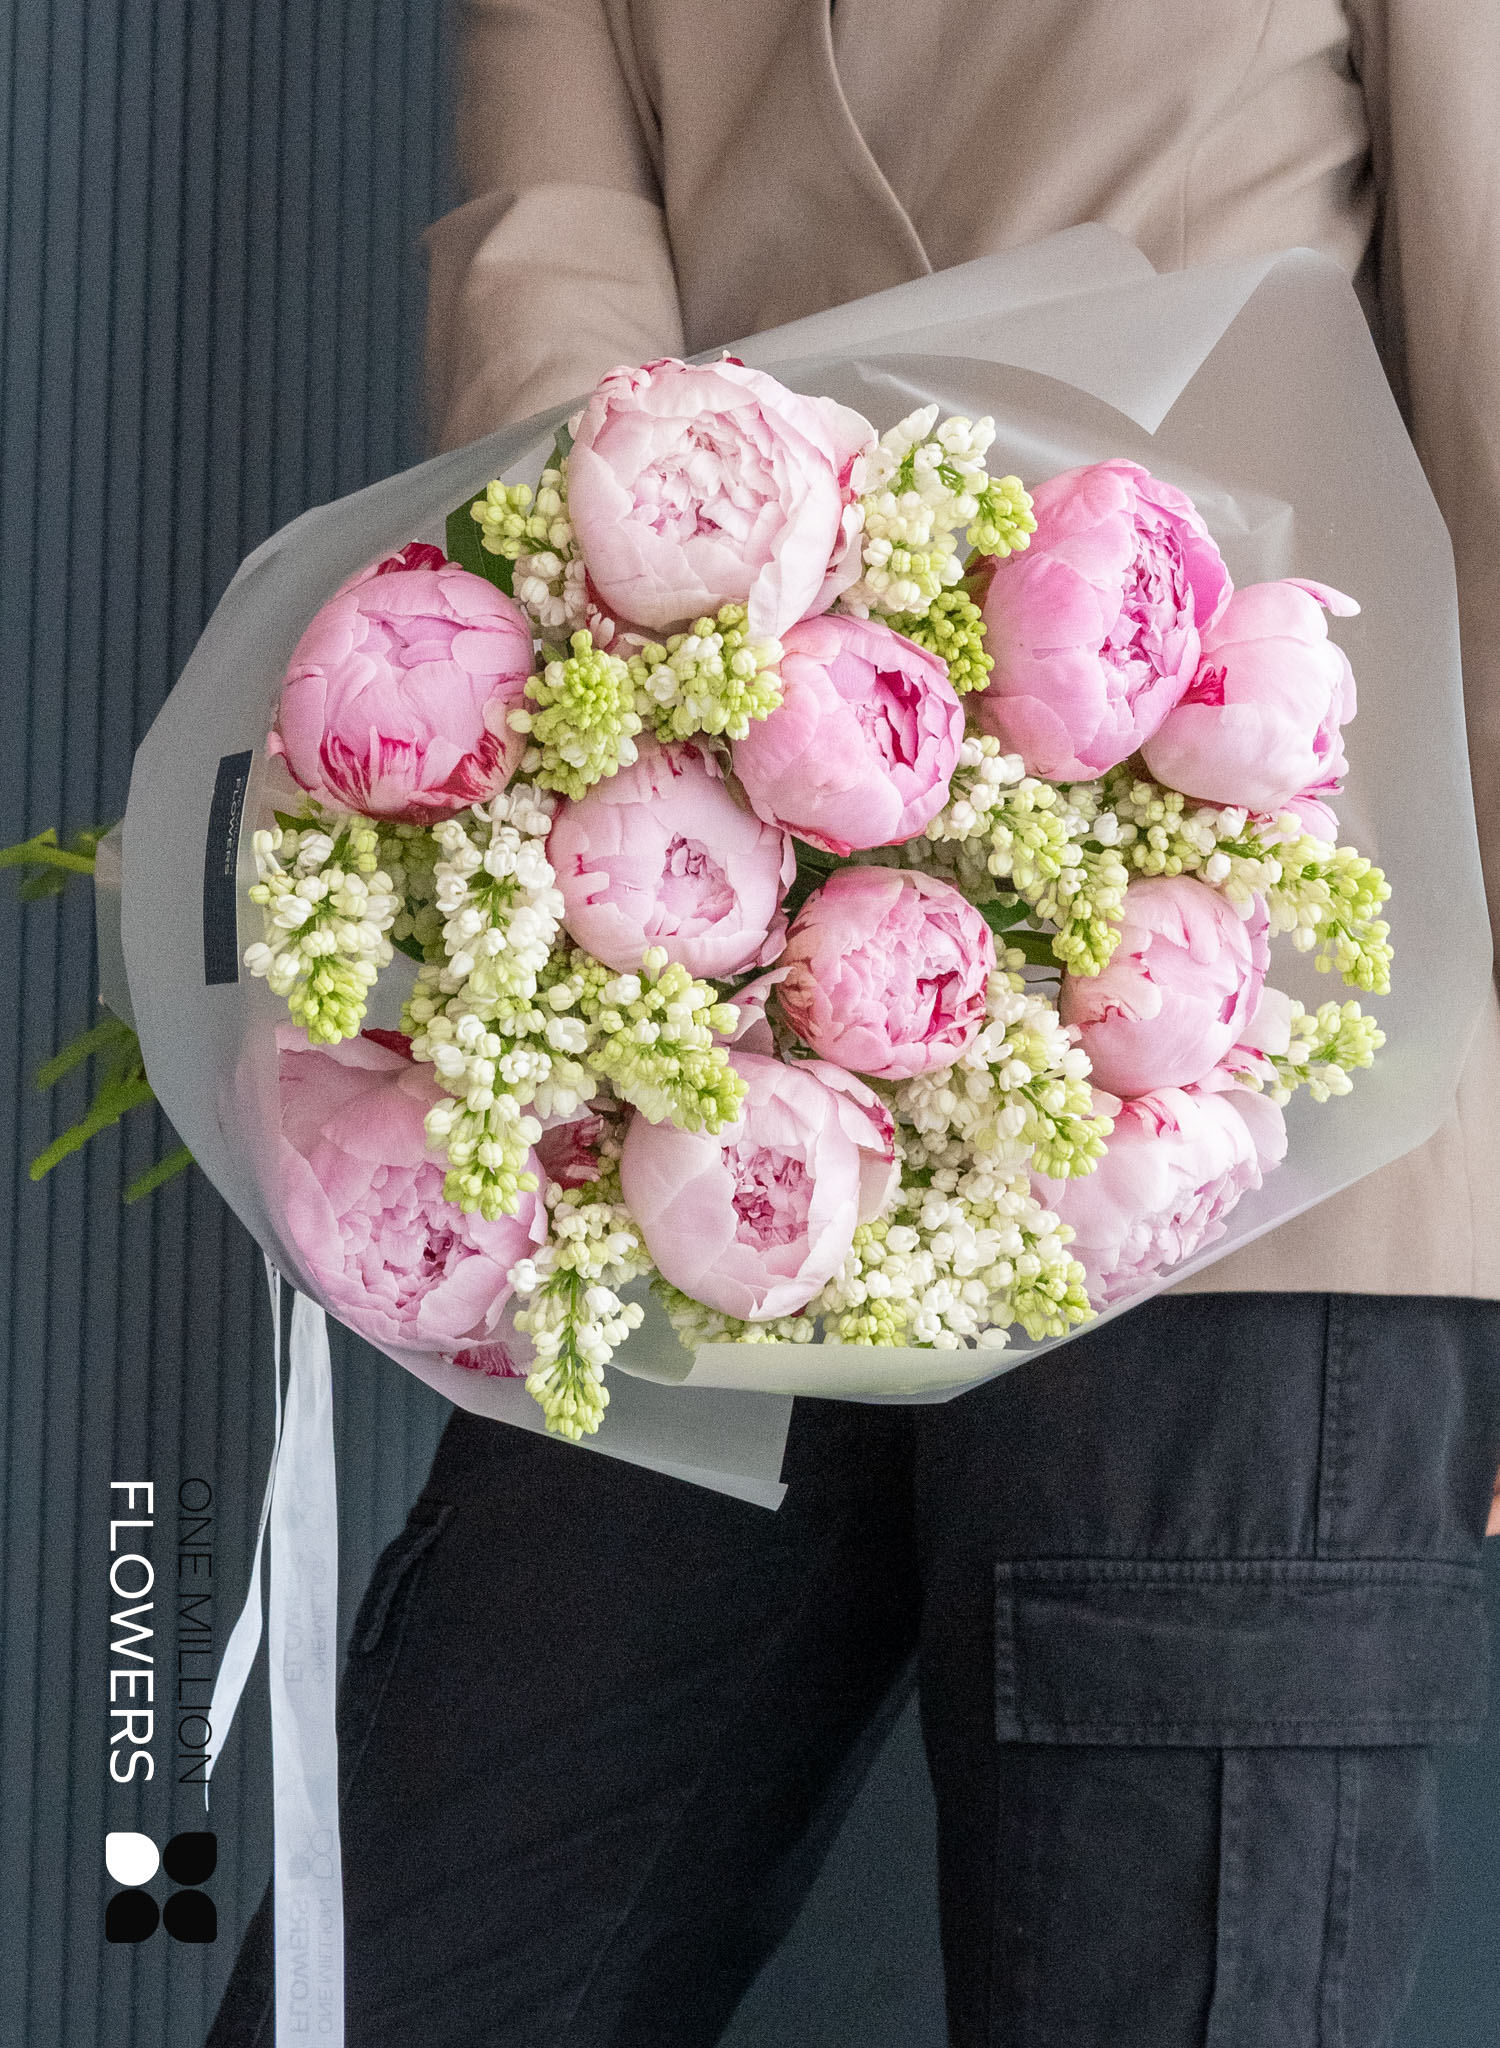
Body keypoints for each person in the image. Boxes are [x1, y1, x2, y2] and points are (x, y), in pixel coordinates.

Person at [209, 4, 1500, 2043]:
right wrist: (646, 732)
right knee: (417, 1967)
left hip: (1244, 1123)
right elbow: (550, 287)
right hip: (711, 1097)